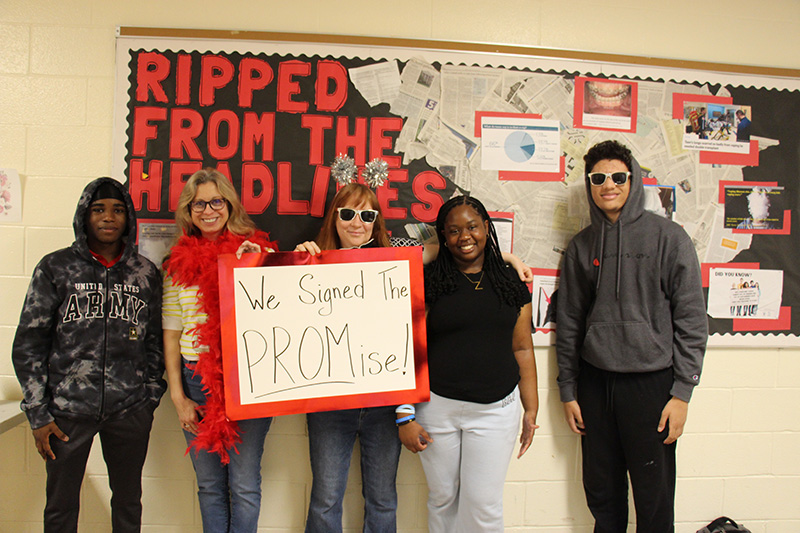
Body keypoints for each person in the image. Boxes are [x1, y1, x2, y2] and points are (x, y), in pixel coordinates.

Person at [295, 183, 532, 532]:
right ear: (334, 219)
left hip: (383, 401)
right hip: (332, 400)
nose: (356, 222)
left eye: (366, 214)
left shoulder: (395, 259)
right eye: (346, 214)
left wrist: (508, 258)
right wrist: (298, 257)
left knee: (382, 497)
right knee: (326, 497)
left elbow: (447, 246)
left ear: (377, 222)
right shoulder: (309, 259)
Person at [556, 140, 708, 533]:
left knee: (653, 497)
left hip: (651, 385)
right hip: (595, 383)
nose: (609, 185)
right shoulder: (582, 246)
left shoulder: (668, 238)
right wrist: (569, 390)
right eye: (599, 178)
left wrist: (682, 393)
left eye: (618, 176)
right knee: (603, 496)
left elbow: (691, 318)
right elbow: (570, 321)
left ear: (633, 179)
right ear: (590, 184)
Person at [12, 177, 166, 532]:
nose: (108, 218)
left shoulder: (145, 273)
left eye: (117, 210)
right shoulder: (56, 267)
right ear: (84, 216)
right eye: (98, 210)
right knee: (61, 506)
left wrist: (148, 399)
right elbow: (29, 343)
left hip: (129, 409)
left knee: (128, 503)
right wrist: (38, 411)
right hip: (66, 412)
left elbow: (155, 341)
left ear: (128, 218)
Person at [398, 195, 539, 532]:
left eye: (473, 227)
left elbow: (522, 348)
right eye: (453, 231)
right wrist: (404, 415)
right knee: (443, 497)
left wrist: (531, 409)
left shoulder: (510, 280)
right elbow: (407, 349)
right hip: (436, 409)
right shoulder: (429, 280)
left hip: (496, 410)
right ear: (442, 237)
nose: (465, 237)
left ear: (486, 228)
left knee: (483, 503)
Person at [162, 168, 277, 532]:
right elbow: (171, 336)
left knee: (243, 485)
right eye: (199, 203)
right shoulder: (175, 264)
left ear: (229, 205)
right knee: (210, 486)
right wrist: (178, 397)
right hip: (198, 380)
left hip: (249, 379)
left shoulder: (257, 250)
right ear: (188, 209)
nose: (208, 210)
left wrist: (256, 264)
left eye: (216, 201)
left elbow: (281, 306)